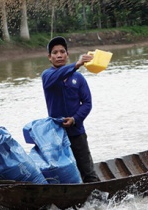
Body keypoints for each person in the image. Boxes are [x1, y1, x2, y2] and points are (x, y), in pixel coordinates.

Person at [41, 36, 100, 183]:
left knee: (88, 172)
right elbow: (58, 75)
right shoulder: (47, 76)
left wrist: (75, 119)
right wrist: (77, 64)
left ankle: (99, 202)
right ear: (49, 57)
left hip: (77, 132)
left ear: (67, 55)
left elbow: (87, 103)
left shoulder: (78, 78)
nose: (59, 55)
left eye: (62, 52)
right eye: (55, 53)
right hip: (56, 134)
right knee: (60, 173)